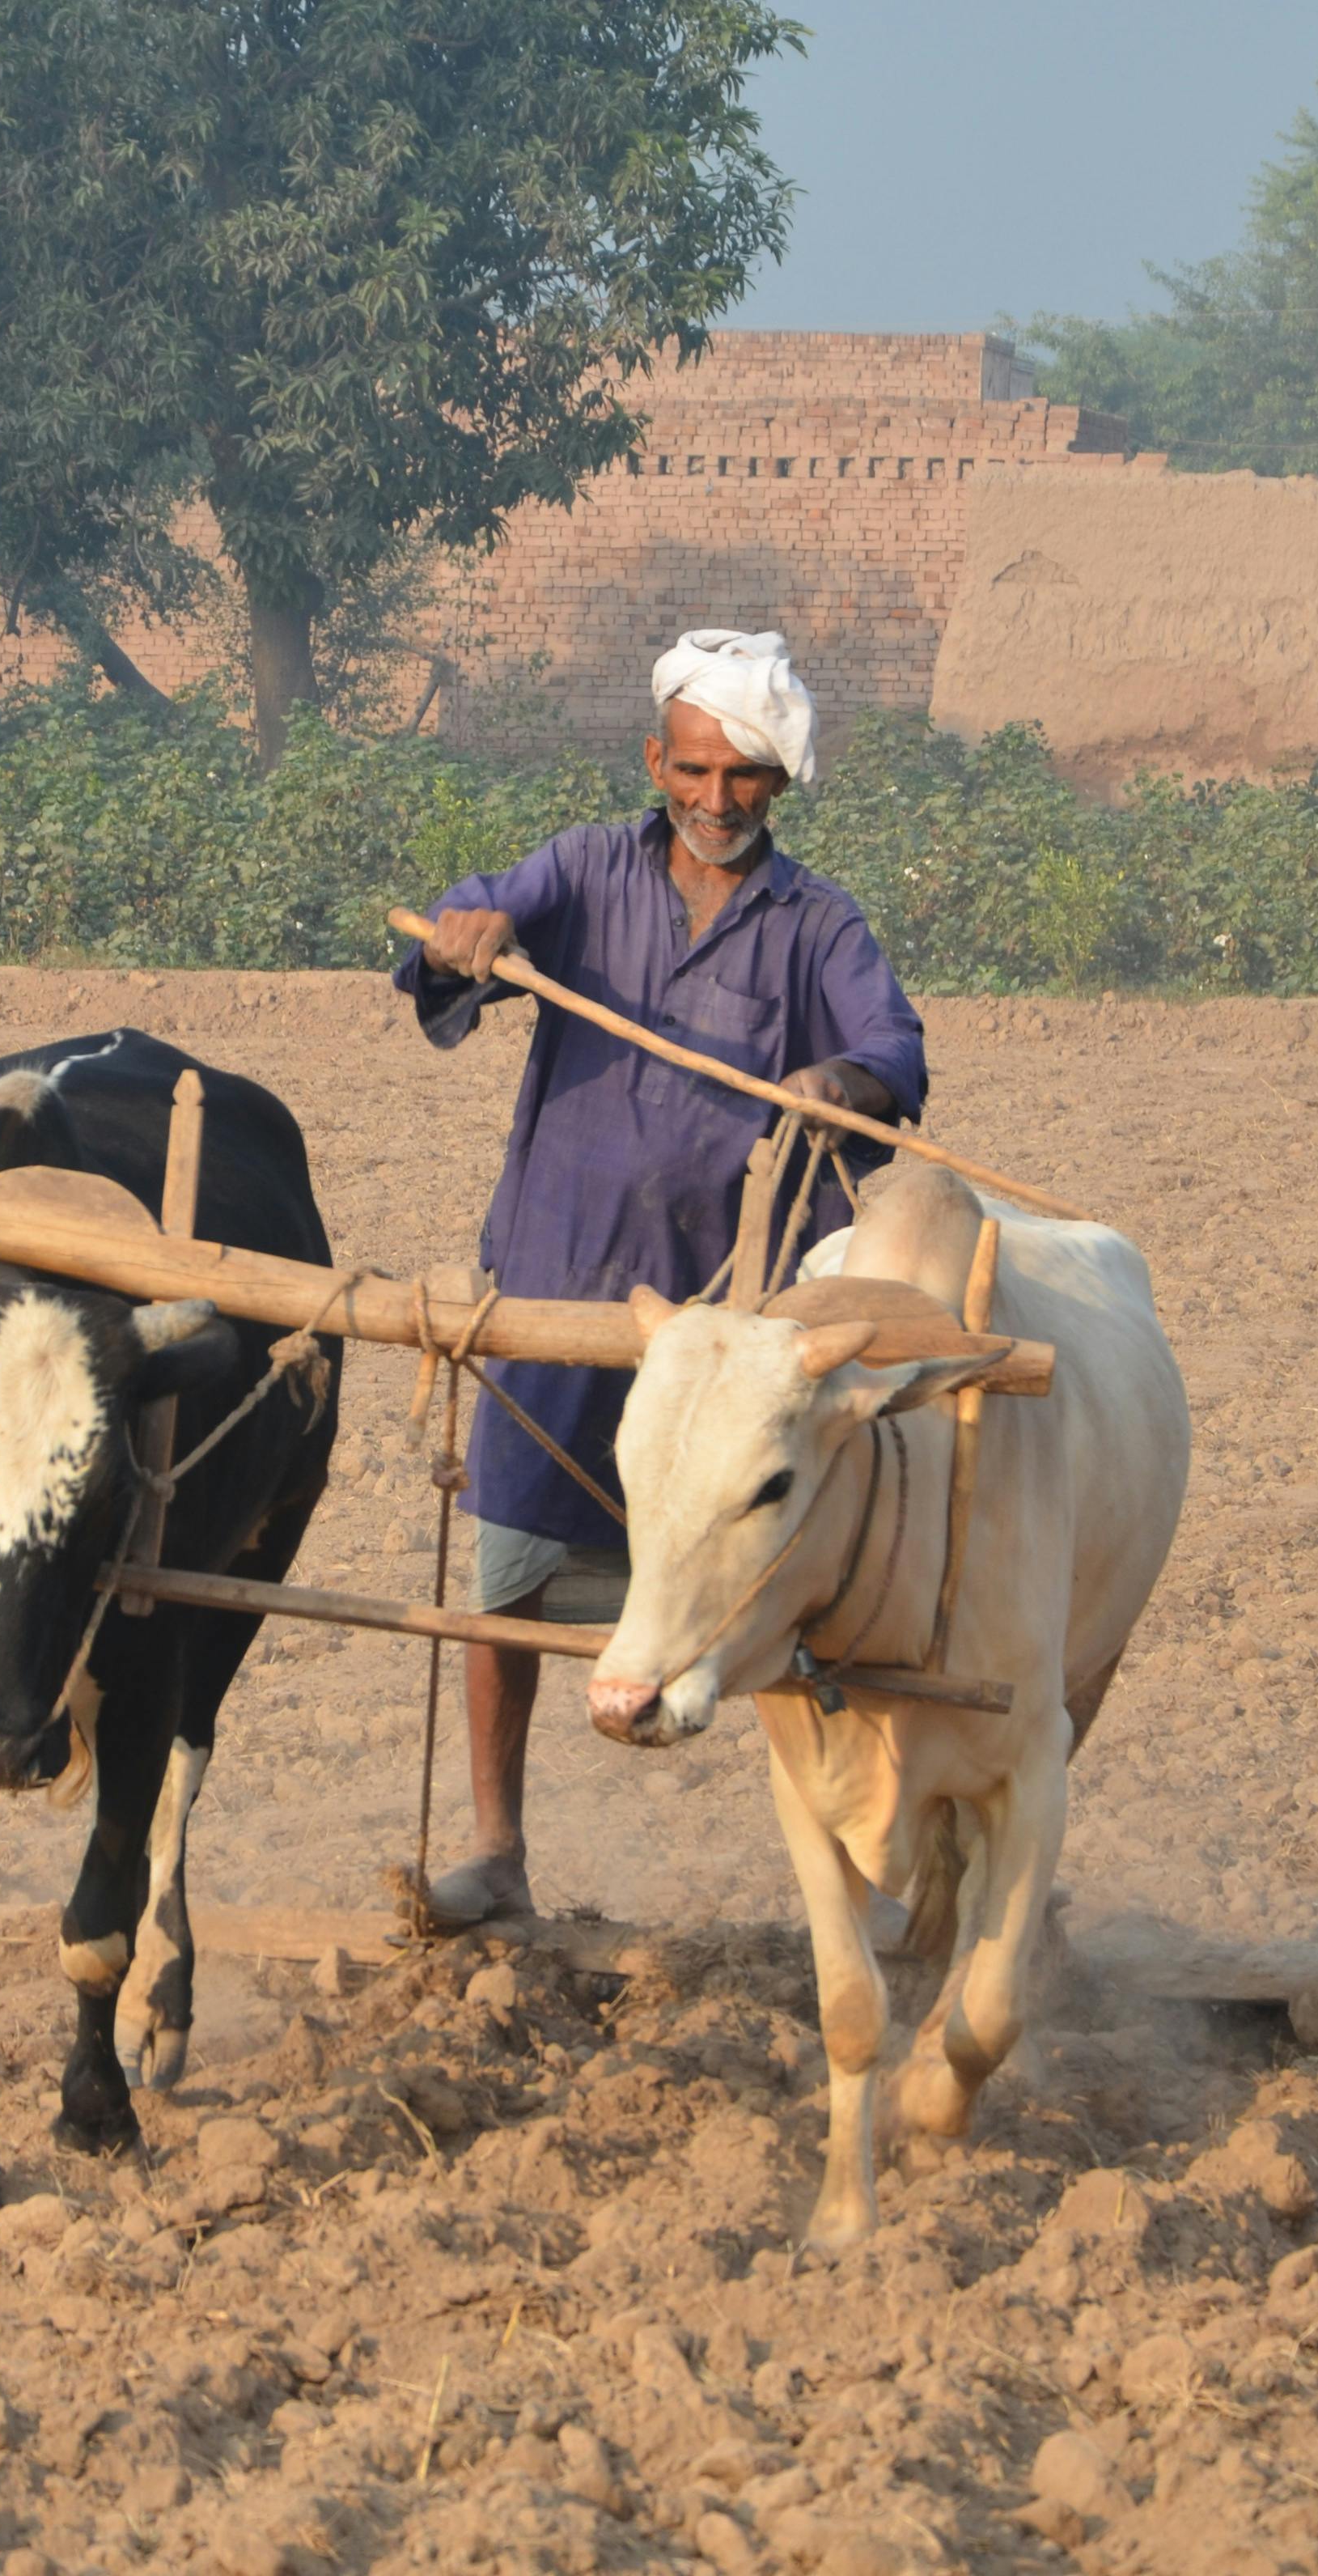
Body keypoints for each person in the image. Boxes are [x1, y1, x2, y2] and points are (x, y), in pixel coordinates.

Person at [392, 627, 930, 1926]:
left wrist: (838, 1083)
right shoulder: (582, 869)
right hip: (557, 1281)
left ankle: (863, 1874)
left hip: (718, 1331)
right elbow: (471, 916)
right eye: (695, 770)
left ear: (778, 788)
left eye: (744, 778)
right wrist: (468, 933)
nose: (715, 800)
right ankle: (498, 1850)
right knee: (507, 1570)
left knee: (757, 1575)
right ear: (658, 760)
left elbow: (897, 1056)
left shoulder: (817, 925)